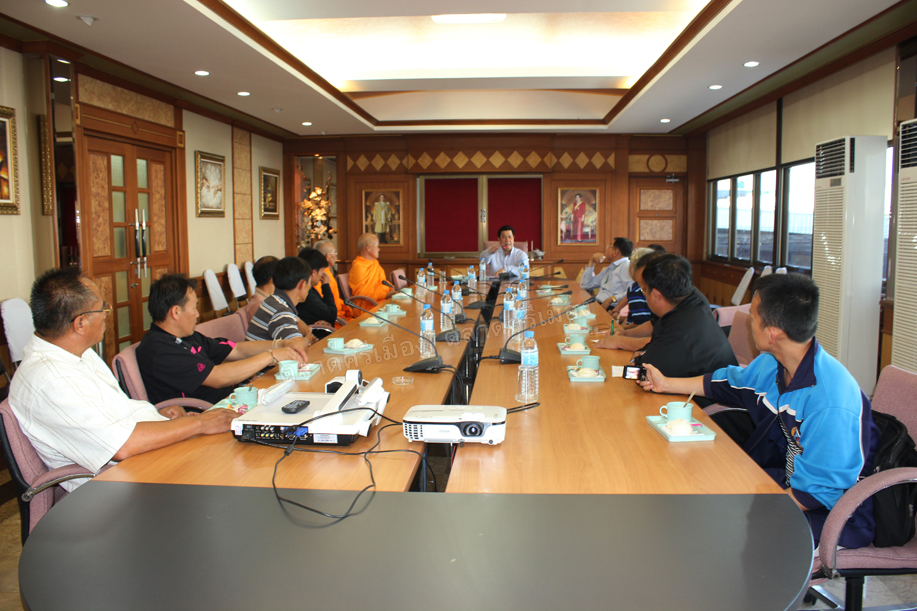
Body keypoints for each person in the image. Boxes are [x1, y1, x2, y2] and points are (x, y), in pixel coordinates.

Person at [637, 273, 878, 549]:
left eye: (752, 316)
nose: (749, 322)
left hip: (834, 512)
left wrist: (747, 512)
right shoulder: (774, 363)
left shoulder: (831, 401)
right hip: (787, 480)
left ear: (771, 333)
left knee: (724, 531)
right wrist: (666, 383)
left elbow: (818, 491)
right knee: (696, 488)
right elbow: (727, 384)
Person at [8, 267, 240, 491]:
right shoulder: (52, 380)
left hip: (140, 460)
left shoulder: (76, 353)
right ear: (80, 323)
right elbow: (122, 445)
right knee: (228, 473)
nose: (106, 315)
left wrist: (157, 416)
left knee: (229, 455)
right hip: (117, 485)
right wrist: (200, 423)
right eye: (102, 309)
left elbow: (114, 413)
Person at [136, 274, 308, 405]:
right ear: (175, 312)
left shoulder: (186, 336)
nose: (197, 314)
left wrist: (281, 344)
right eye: (194, 308)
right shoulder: (160, 350)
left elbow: (236, 349)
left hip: (234, 399)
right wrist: (270, 356)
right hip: (209, 412)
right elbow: (218, 377)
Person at [246, 256, 314, 342]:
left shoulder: (273, 300)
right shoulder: (280, 310)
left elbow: (303, 330)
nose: (310, 287)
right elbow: (297, 346)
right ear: (302, 284)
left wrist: (306, 336)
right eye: (310, 282)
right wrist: (307, 340)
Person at [580, 237, 633, 309]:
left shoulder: (626, 267)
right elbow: (586, 285)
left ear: (615, 252)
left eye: (609, 247)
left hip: (611, 307)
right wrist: (592, 262)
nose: (607, 249)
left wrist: (612, 299)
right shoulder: (612, 266)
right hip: (599, 303)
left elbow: (631, 292)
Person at [609, 247, 654, 327]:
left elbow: (640, 323)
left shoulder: (636, 290)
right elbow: (632, 318)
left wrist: (622, 330)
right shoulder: (652, 286)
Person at [296, 247, 338, 328]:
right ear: (314, 272)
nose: (322, 275)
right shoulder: (306, 294)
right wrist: (326, 286)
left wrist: (328, 321)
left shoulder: (310, 289)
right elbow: (332, 314)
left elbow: (328, 313)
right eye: (322, 271)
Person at [349, 233, 397, 302]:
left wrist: (391, 288)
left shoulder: (375, 263)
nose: (379, 249)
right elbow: (362, 294)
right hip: (369, 305)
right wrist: (386, 295)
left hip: (382, 300)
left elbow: (382, 281)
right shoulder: (359, 267)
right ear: (368, 248)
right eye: (377, 246)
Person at [314, 240, 352, 321]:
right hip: (332, 318)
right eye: (334, 254)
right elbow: (321, 304)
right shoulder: (322, 276)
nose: (336, 257)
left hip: (336, 313)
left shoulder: (325, 272)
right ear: (328, 257)